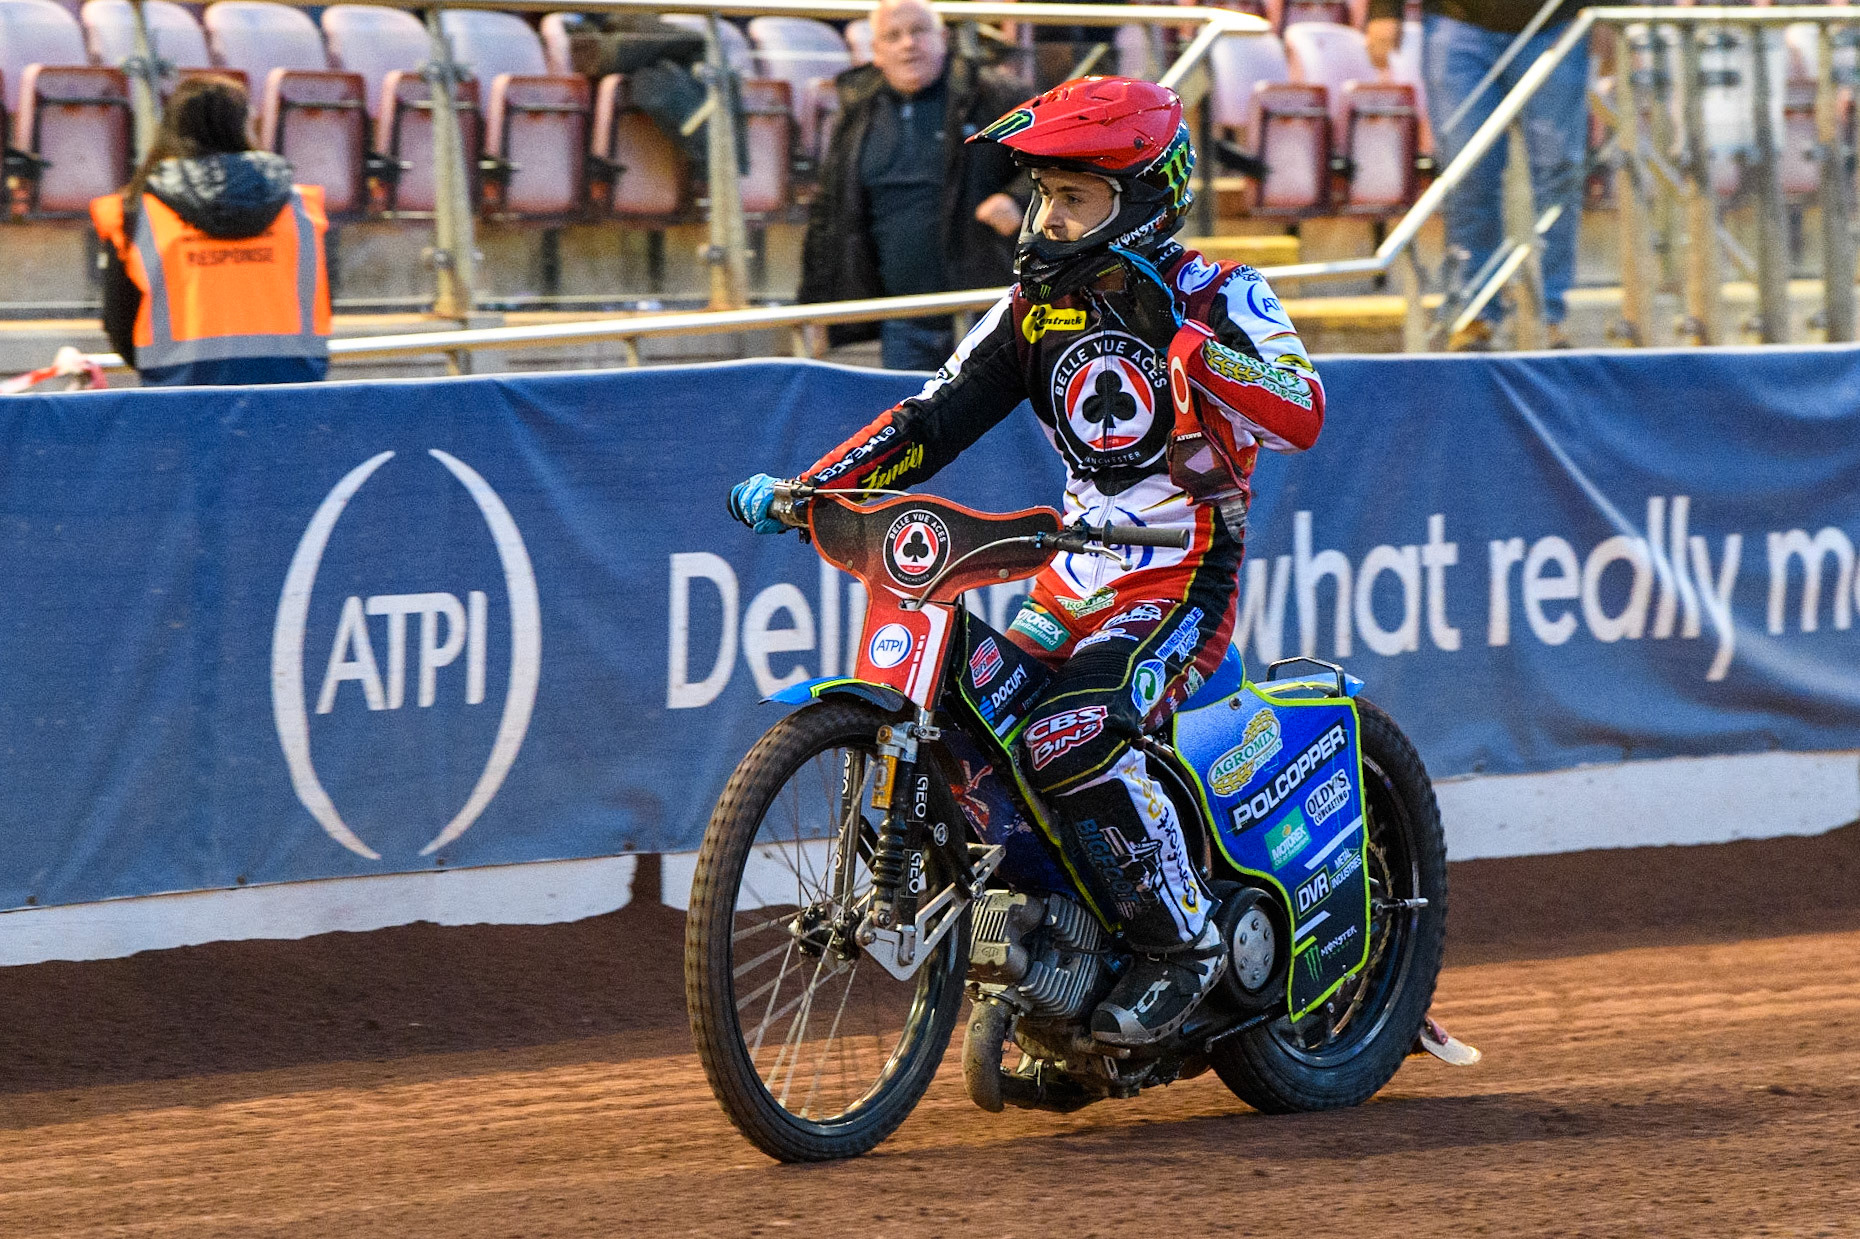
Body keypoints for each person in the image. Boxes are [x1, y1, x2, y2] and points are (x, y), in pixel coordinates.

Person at [731, 77, 1325, 1047]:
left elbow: (1302, 410)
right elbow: (934, 417)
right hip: (1073, 572)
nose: (1047, 219)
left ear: (1139, 201)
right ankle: (1065, 951)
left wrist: (1186, 342)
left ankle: (1186, 946)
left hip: (1183, 572)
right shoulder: (1029, 312)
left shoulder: (1223, 292)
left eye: (1073, 200)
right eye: (1044, 196)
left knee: (1069, 734)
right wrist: (815, 489)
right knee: (982, 721)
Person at [798, 0, 1028, 371]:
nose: (908, 44)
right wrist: (815, 308)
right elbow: (829, 211)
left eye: (918, 31)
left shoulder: (996, 95)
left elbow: (1059, 162)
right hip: (900, 320)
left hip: (987, 313)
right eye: (893, 36)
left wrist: (1016, 198)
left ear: (942, 38)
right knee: (912, 426)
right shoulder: (856, 112)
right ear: (876, 52)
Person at [1365, 0, 1596, 348]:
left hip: (1556, 20)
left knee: (1558, 171)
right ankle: (1473, 312)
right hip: (1457, 21)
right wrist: (1383, 10)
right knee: (1467, 173)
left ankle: (1548, 315)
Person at [90, 75, 331, 387]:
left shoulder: (133, 210)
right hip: (293, 392)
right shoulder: (299, 206)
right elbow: (317, 299)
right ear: (244, 125)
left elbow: (119, 321)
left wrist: (167, 370)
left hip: (178, 397)